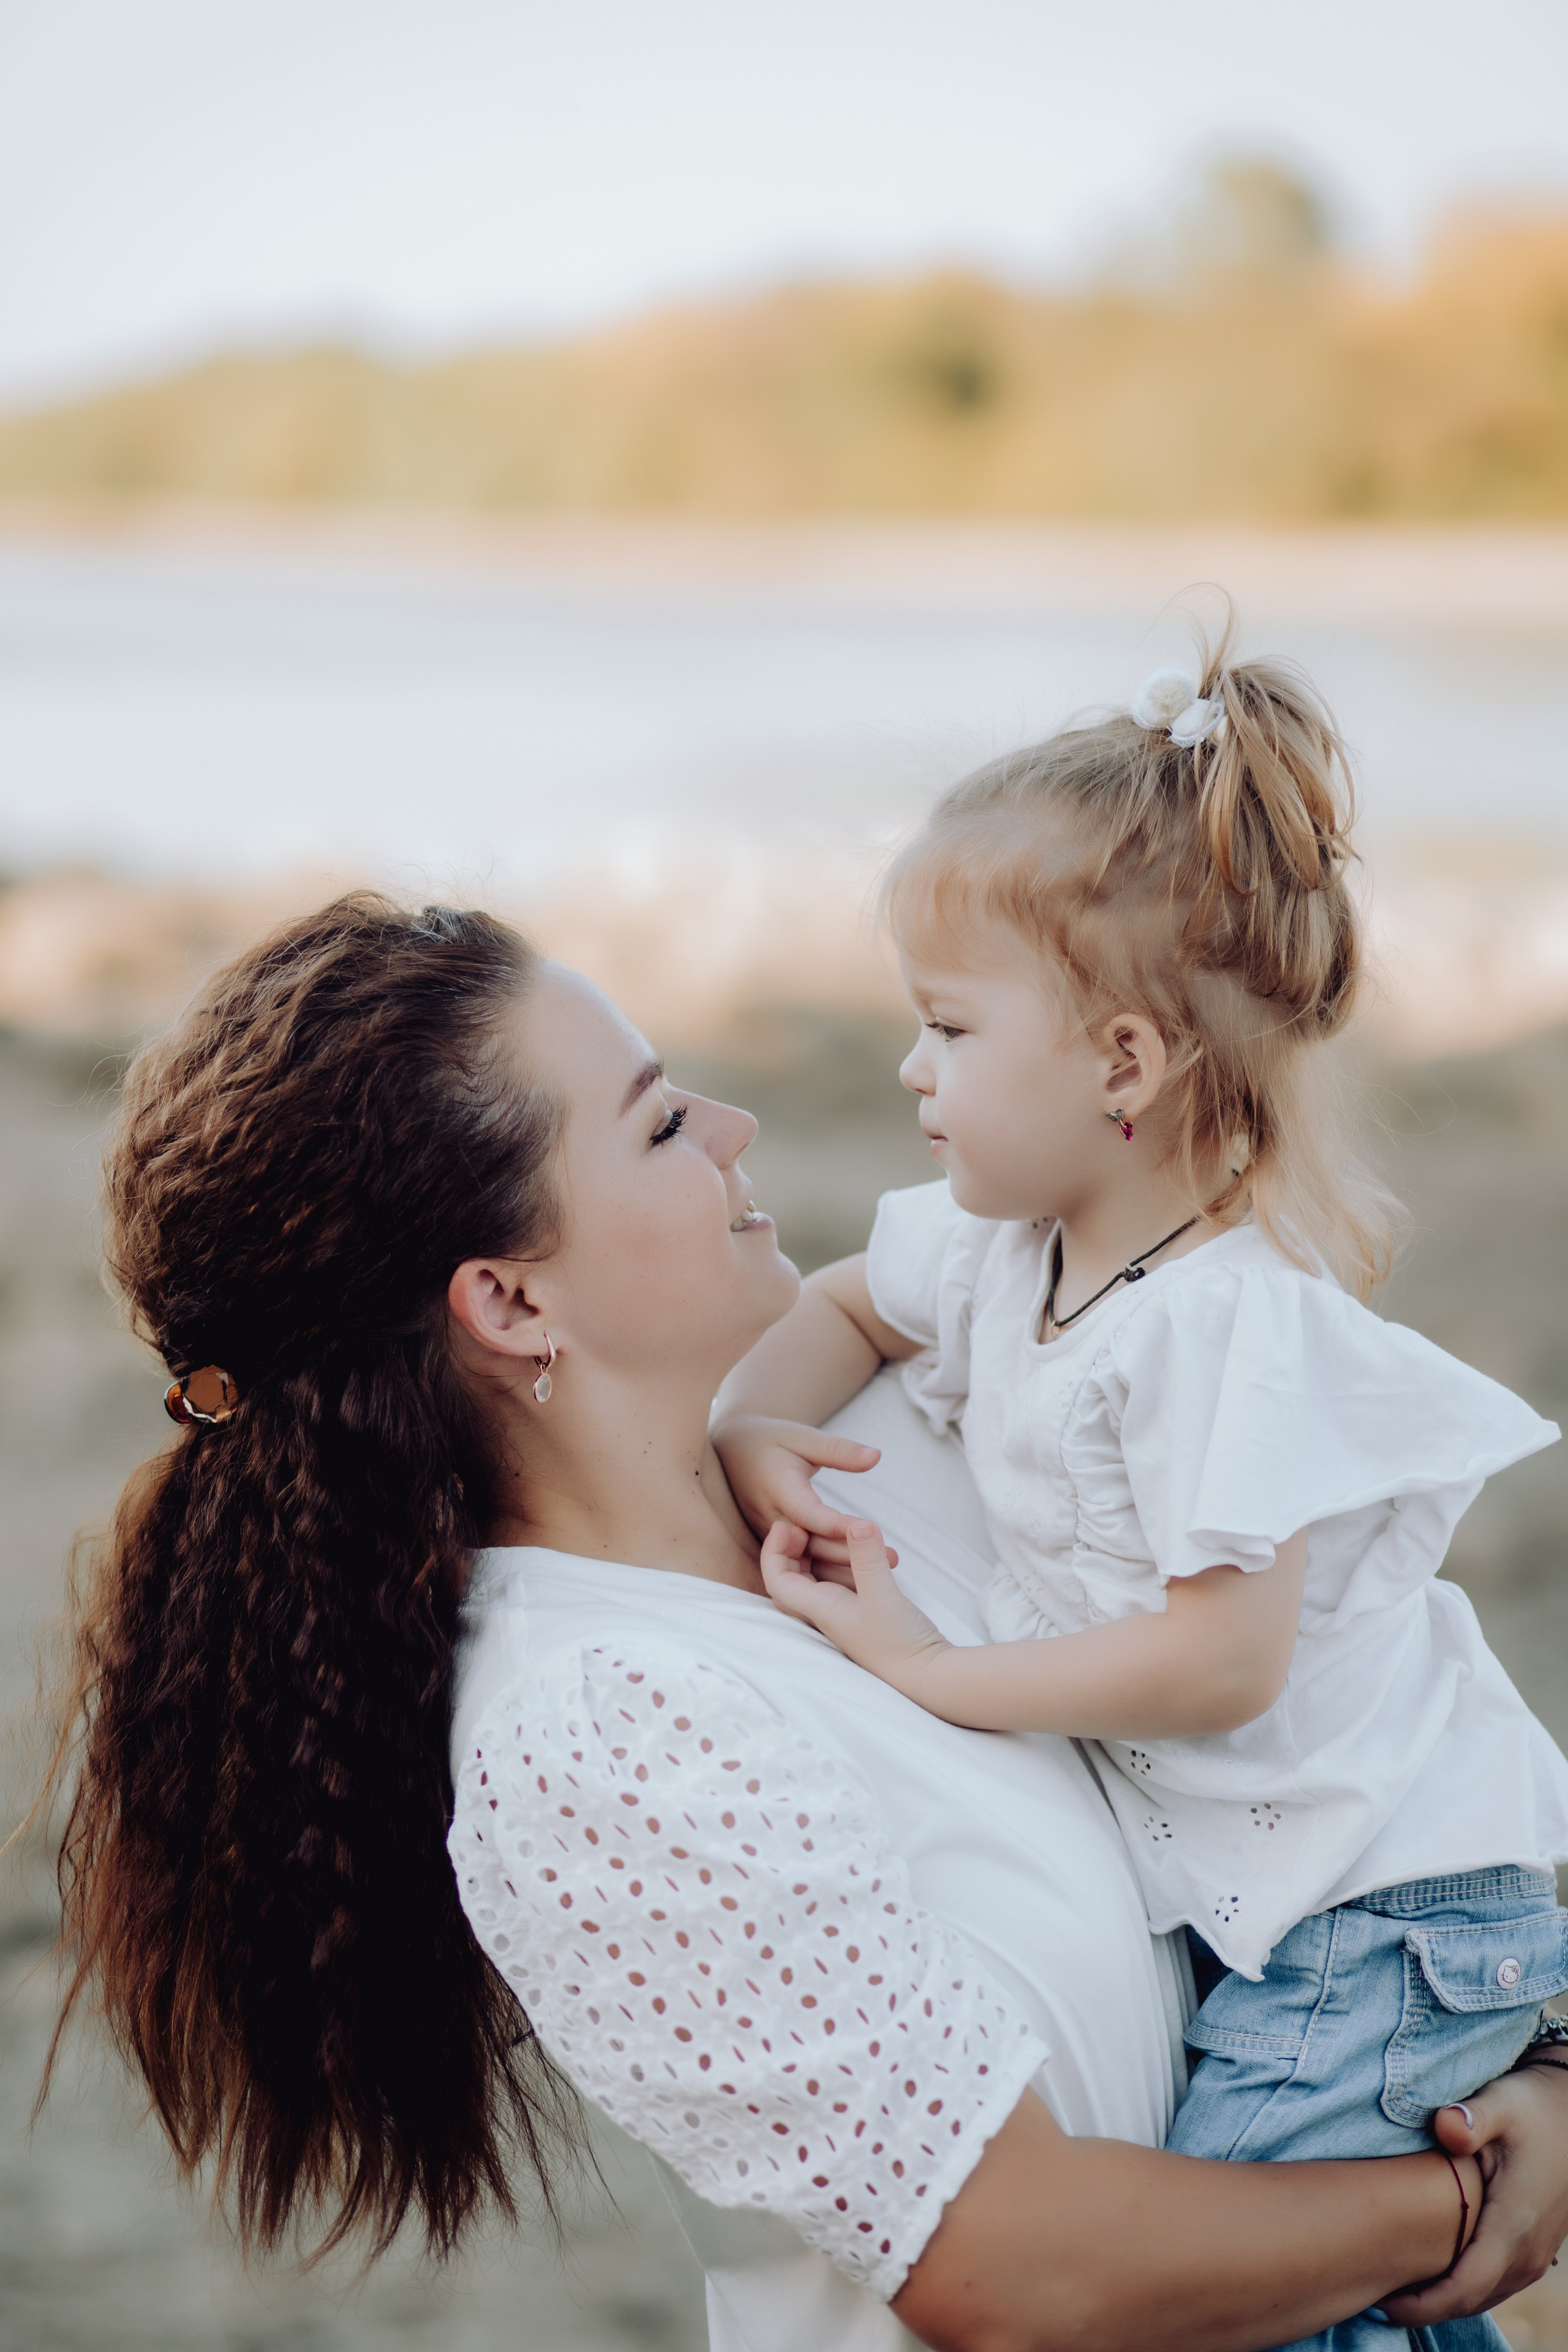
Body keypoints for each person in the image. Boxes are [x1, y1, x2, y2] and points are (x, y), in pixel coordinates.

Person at [42, 893, 1568, 2352]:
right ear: (508, 1305)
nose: (734, 1126)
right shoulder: (595, 1737)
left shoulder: (891, 1447)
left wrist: (1542, 2068)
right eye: (656, 1122)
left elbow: (1352, 1744)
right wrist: (1464, 2200)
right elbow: (1014, 2273)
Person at [712, 636, 1568, 2349]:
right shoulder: (1001, 1251)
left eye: (948, 1027)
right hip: (1288, 1905)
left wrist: (927, 1673)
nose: (910, 1070)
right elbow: (838, 1306)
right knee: (1323, 2292)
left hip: (1386, 1909)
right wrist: (752, 1430)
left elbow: (1219, 1662)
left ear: (1122, 1062)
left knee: (1246, 2282)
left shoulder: (1222, 1326)